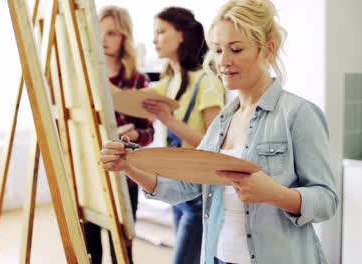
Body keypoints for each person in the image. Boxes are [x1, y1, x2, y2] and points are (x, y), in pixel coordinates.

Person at [100, 0, 339, 263]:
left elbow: (326, 200)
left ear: (268, 49)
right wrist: (129, 166)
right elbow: (186, 186)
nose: (223, 61)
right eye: (217, 50)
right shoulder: (223, 121)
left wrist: (274, 193)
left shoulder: (298, 114)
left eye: (236, 49)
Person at [141, 7, 225, 264]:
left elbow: (213, 145)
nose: (154, 39)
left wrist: (169, 120)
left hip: (197, 192)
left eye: (161, 32)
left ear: (181, 36)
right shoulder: (169, 80)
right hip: (175, 187)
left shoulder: (207, 80)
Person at [85, 5, 154, 264]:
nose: (103, 39)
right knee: (91, 247)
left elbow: (148, 132)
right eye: (99, 32)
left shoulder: (138, 80)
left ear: (124, 37)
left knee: (122, 249)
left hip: (126, 175)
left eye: (112, 33)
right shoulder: (84, 77)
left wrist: (133, 133)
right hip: (90, 173)